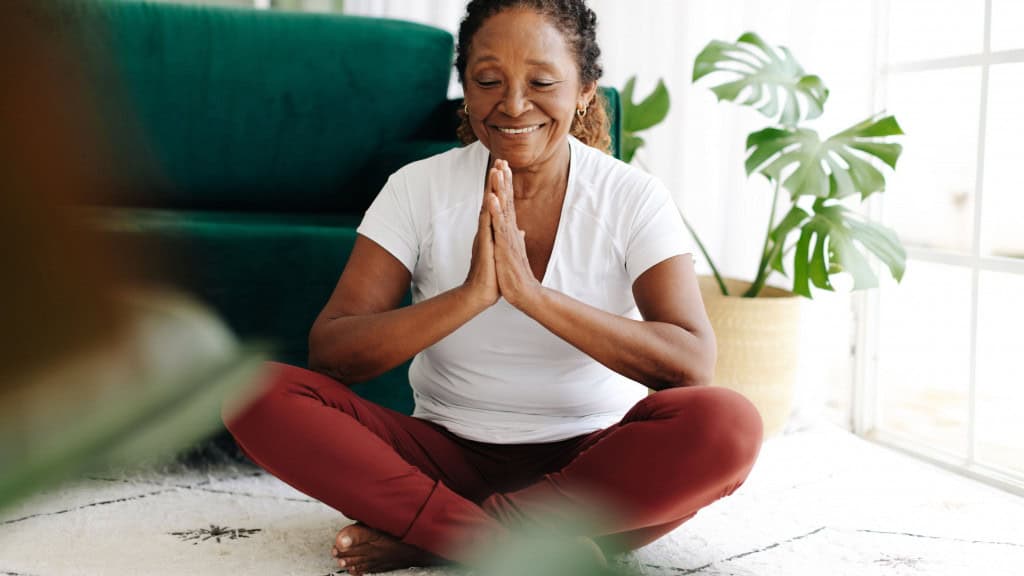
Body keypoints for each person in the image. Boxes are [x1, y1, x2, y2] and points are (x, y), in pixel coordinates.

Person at [222, 1, 763, 574]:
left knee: (728, 424)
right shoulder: (417, 188)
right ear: (467, 90)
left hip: (591, 470)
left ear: (585, 91)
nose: (513, 104)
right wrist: (470, 296)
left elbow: (689, 365)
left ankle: (438, 535)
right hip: (440, 457)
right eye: (488, 81)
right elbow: (333, 353)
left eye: (542, 82)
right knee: (250, 389)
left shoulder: (632, 198)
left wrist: (533, 296)